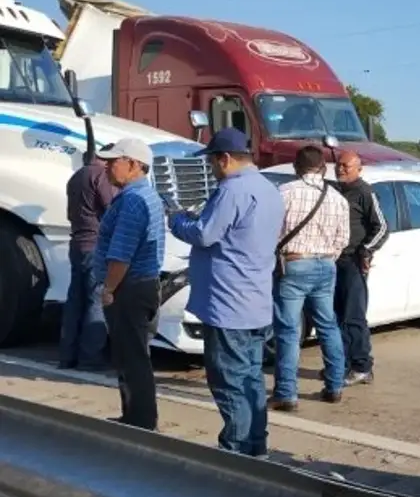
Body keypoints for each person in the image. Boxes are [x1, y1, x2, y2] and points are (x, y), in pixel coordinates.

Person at [169, 128, 284, 456]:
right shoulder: (267, 188)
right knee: (250, 380)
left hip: (228, 303)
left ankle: (234, 452)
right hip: (255, 300)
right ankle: (255, 446)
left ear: (225, 159)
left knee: (229, 382)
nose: (211, 169)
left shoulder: (231, 191)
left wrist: (177, 220)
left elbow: (205, 235)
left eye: (212, 163)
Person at [269, 146, 350, 410]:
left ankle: (286, 393)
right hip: (326, 264)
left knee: (289, 331)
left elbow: (273, 232)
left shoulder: (285, 193)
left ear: (296, 167)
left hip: (294, 262)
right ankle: (335, 385)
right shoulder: (338, 198)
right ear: (323, 168)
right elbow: (343, 239)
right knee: (328, 325)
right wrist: (327, 256)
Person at [93, 138, 165, 431]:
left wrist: (108, 289)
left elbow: (121, 254)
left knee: (131, 357)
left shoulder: (133, 200)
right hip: (141, 286)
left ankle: (140, 422)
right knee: (133, 355)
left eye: (114, 161)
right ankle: (134, 417)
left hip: (129, 289)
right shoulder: (146, 196)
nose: (107, 167)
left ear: (134, 165)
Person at [330, 149, 388, 386]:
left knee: (354, 316)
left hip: (353, 262)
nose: (341, 169)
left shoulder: (365, 192)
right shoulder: (333, 190)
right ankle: (342, 365)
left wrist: (366, 251)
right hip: (333, 261)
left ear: (358, 169)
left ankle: (362, 366)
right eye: (338, 165)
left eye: (346, 166)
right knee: (336, 317)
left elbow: (382, 227)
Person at [60, 143, 119, 371]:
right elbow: (110, 208)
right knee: (96, 301)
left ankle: (67, 356)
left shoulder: (75, 177)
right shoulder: (99, 175)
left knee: (75, 300)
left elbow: (69, 214)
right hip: (95, 245)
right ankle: (90, 359)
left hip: (76, 244)